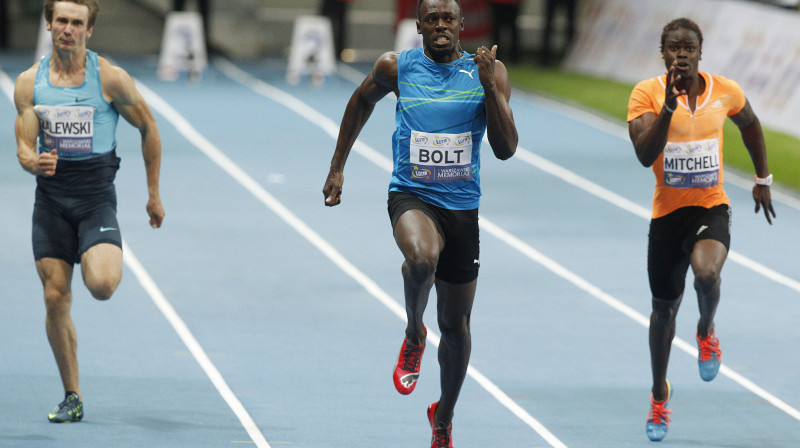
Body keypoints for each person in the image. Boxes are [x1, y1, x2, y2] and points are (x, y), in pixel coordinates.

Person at [322, 0, 517, 445]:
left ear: (462, 25)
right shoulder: (396, 68)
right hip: (412, 195)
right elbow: (359, 102)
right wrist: (338, 166)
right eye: (433, 19)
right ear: (420, 26)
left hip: (463, 208)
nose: (442, 26)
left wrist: (489, 88)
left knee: (457, 326)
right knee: (421, 258)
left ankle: (443, 416)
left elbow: (506, 149)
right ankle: (413, 331)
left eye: (449, 18)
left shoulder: (489, 72)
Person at [13, 0, 165, 423]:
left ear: (89, 31)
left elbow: (149, 127)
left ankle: (98, 245)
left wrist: (153, 194)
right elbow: (25, 146)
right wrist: (32, 162)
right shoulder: (30, 84)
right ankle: (72, 395)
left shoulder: (110, 79)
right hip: (51, 201)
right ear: (48, 24)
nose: (67, 29)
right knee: (55, 296)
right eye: (61, 20)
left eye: (76, 23)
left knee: (101, 285)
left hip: (95, 196)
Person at [627, 17, 775, 442]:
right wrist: (669, 107)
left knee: (707, 272)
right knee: (663, 309)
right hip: (667, 217)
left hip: (711, 207)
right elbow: (643, 154)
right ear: (664, 53)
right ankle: (659, 395)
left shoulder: (725, 91)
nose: (682, 54)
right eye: (674, 47)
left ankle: (706, 330)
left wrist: (762, 177)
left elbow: (750, 124)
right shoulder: (646, 95)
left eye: (689, 47)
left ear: (699, 52)